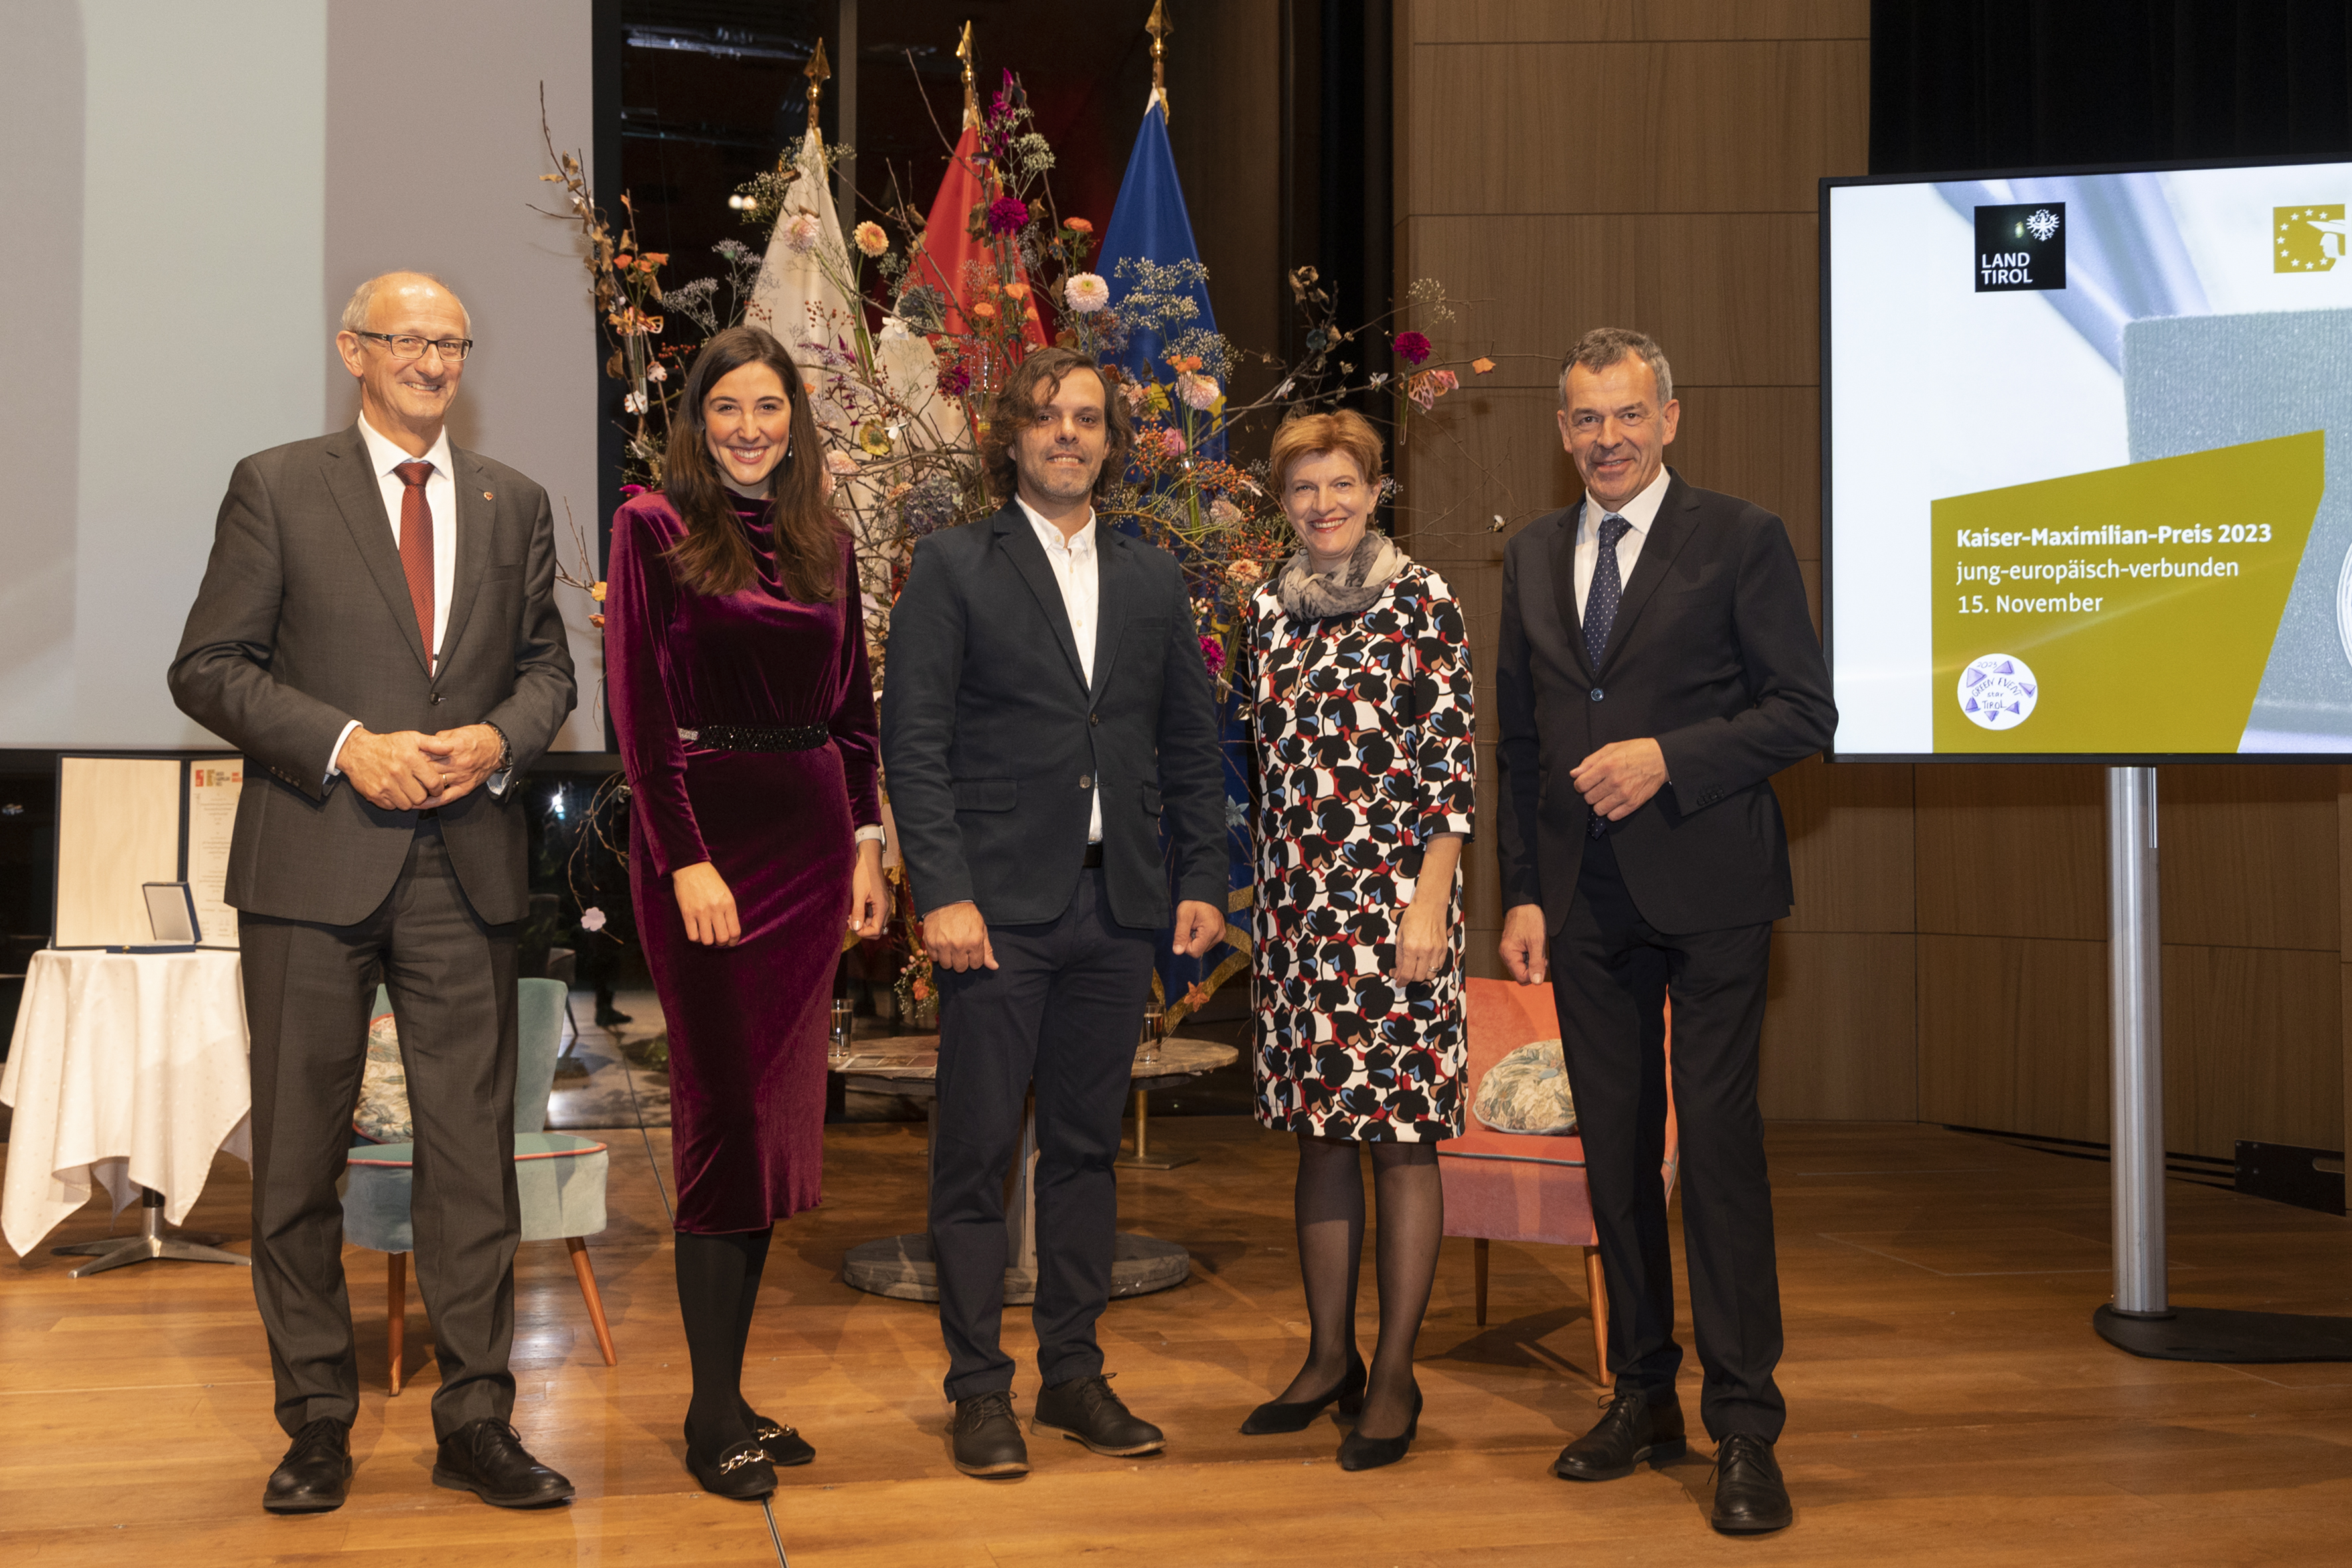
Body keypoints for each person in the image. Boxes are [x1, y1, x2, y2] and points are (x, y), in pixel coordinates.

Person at [169, 272, 578, 1514]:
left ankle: (478, 1420)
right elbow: (209, 665)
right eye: (408, 338)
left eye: (453, 339)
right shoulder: (277, 484)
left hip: (466, 868)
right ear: (353, 348)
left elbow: (550, 669)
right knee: (297, 1161)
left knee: (472, 1162)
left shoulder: (517, 502)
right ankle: (315, 1421)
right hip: (311, 861)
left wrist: (500, 739)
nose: (434, 359)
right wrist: (353, 742)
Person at [1492, 328, 1836, 1535]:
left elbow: (1806, 710)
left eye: (1627, 415)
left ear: (1671, 418)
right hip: (1583, 903)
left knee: (1722, 1157)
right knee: (1618, 1159)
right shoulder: (1533, 556)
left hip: (1718, 892)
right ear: (1562, 428)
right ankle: (1643, 1394)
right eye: (1585, 420)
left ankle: (1746, 1423)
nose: (1607, 439)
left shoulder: (1741, 537)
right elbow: (1524, 746)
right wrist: (1523, 892)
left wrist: (1668, 760)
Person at [881, 345, 1227, 1479]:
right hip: (997, 912)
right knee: (976, 1154)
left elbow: (1188, 743)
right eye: (1046, 416)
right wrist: (943, 891)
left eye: (1087, 418)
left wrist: (1203, 879)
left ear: (1112, 441)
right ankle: (980, 1388)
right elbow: (914, 744)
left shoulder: (1151, 576)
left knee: (1084, 1153)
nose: (1067, 434)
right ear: (1011, 437)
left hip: (1121, 907)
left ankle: (1073, 1374)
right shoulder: (951, 564)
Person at [605, 325, 888, 1500]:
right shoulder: (652, 527)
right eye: (728, 408)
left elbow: (856, 707)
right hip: (711, 845)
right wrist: (685, 862)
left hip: (816, 847)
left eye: (769, 407)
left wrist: (869, 842)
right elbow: (640, 710)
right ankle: (708, 1411)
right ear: (698, 419)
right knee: (722, 1116)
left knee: (773, 1128)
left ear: (795, 419)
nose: (750, 427)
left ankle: (728, 1391)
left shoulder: (828, 536)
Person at [1235, 410, 1475, 1471]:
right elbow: (1262, 764)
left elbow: (1450, 771)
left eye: (1341, 484)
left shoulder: (1422, 602)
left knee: (1399, 1138)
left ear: (1374, 491)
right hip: (1296, 916)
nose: (1323, 504)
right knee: (1319, 1133)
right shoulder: (1266, 614)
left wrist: (1432, 899)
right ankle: (1328, 1354)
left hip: (1395, 914)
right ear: (1282, 503)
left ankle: (1393, 1374)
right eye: (1303, 489)